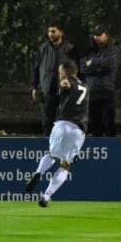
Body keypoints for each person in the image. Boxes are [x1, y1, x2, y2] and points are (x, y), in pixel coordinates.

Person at [25, 60, 89, 207]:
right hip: (77, 130)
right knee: (65, 164)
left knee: (52, 155)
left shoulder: (67, 81)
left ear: (66, 73)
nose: (60, 76)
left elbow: (66, 84)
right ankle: (46, 196)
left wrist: (63, 83)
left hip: (61, 124)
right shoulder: (86, 86)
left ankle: (38, 173)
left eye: (60, 73)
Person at [31, 22, 79, 136]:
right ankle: (47, 148)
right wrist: (34, 86)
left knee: (63, 122)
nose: (50, 34)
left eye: (53, 31)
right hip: (47, 90)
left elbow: (77, 70)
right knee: (47, 122)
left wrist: (74, 86)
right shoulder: (43, 48)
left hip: (65, 91)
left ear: (61, 32)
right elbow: (35, 68)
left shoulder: (70, 49)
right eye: (49, 31)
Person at [79, 24, 121, 137]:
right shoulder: (89, 51)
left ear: (106, 35)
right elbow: (83, 68)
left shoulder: (114, 50)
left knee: (108, 125)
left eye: (99, 35)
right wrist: (98, 65)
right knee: (94, 126)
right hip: (92, 92)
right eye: (94, 35)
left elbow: (110, 65)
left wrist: (92, 62)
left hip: (107, 92)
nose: (96, 37)